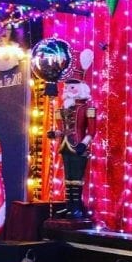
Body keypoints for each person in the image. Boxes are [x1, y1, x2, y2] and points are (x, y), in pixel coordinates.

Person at [47, 62, 96, 219]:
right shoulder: (62, 109)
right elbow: (61, 129)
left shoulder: (87, 109)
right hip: (65, 146)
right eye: (67, 87)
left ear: (81, 88)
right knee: (68, 178)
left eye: (72, 87)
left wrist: (83, 144)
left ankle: (77, 207)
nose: (68, 90)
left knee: (77, 178)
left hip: (78, 146)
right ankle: (69, 206)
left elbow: (92, 131)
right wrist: (54, 133)